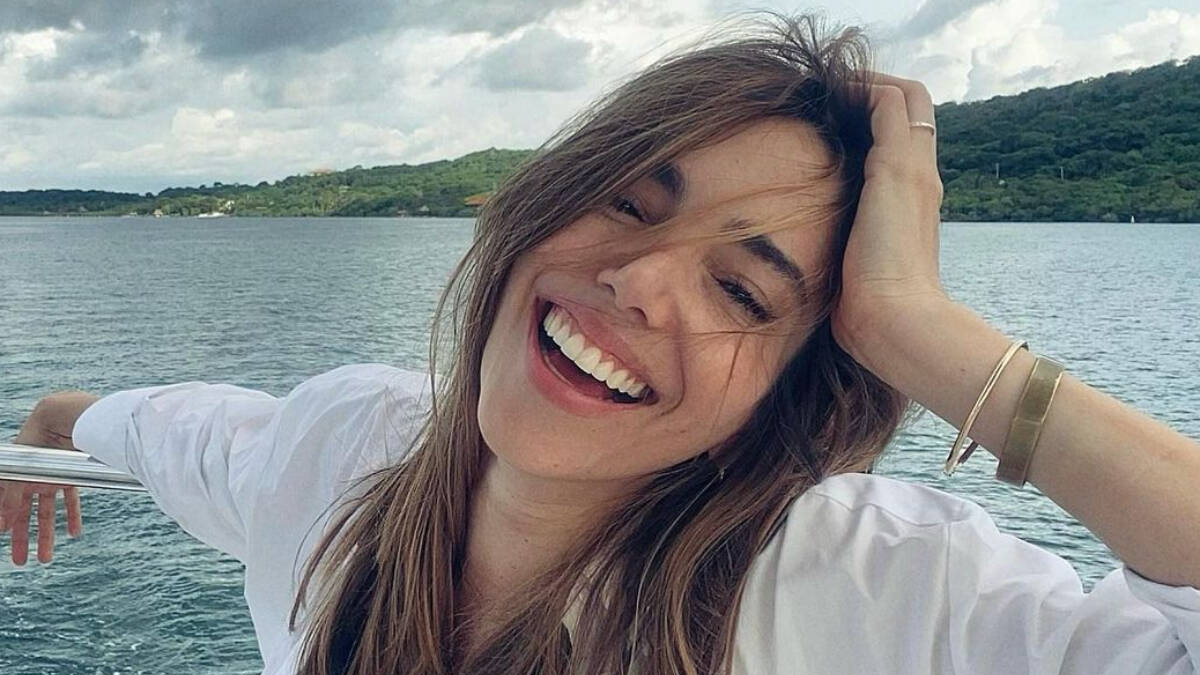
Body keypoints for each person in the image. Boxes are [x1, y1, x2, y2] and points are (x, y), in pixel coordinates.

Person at [3, 12, 1199, 675]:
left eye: (741, 289)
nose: (637, 280)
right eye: (629, 201)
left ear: (788, 389)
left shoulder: (864, 586)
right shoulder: (340, 444)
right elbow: (190, 437)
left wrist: (928, 337)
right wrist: (63, 420)